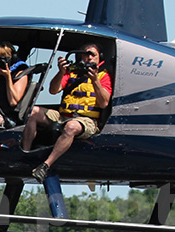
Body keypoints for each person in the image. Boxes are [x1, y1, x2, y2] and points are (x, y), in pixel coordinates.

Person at [21, 42, 112, 181]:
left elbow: (104, 102)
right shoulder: (72, 72)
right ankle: (25, 155)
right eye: (84, 54)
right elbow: (53, 90)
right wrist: (61, 72)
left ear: (100, 57)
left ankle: (45, 166)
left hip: (86, 120)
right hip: (63, 116)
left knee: (71, 127)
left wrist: (95, 81)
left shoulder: (103, 77)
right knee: (32, 112)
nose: (88, 57)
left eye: (91, 54)